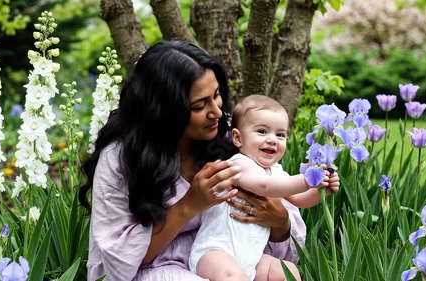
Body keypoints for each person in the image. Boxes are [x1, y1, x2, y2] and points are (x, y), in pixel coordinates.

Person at [79, 41, 309, 281]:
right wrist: (190, 205)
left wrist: (279, 221)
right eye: (199, 105)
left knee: (282, 274)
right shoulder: (121, 158)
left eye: (217, 95)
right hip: (156, 270)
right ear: (164, 110)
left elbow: (279, 217)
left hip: (231, 258)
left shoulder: (232, 136)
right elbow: (115, 262)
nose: (217, 112)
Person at [189, 95, 340, 281]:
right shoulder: (238, 164)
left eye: (280, 134)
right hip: (216, 252)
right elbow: (264, 186)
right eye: (262, 131)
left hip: (252, 257)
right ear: (237, 138)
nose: (272, 140)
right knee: (233, 276)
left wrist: (321, 190)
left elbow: (300, 200)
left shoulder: (277, 173)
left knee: (286, 271)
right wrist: (308, 179)